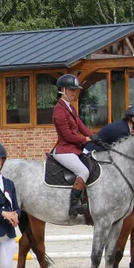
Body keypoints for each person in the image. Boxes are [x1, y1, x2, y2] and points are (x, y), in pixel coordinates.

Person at [52, 74, 94, 218]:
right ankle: (73, 206)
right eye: (71, 89)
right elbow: (67, 136)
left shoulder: (70, 108)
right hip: (64, 150)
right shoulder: (59, 110)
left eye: (75, 90)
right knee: (83, 172)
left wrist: (94, 136)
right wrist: (85, 139)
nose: (73, 92)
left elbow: (81, 125)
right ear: (62, 90)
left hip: (74, 149)